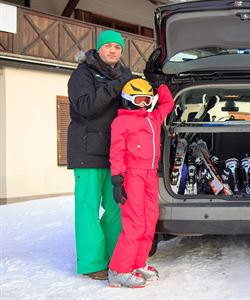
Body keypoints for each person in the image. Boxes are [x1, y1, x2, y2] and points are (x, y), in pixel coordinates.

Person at [67, 29, 132, 280]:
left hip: (114, 152)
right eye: (109, 46)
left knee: (117, 206)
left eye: (118, 47)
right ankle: (92, 263)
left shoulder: (125, 76)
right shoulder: (82, 73)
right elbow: (85, 106)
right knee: (87, 208)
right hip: (86, 151)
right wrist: (116, 86)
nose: (113, 50)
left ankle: (113, 255)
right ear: (99, 48)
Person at [107, 78, 174, 288]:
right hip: (132, 175)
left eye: (147, 99)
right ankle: (119, 269)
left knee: (149, 220)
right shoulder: (121, 122)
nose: (144, 104)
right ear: (128, 100)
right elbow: (116, 151)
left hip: (150, 174)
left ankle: (137, 263)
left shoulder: (152, 118)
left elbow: (168, 104)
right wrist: (117, 179)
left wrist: (160, 85)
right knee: (134, 223)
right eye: (140, 99)